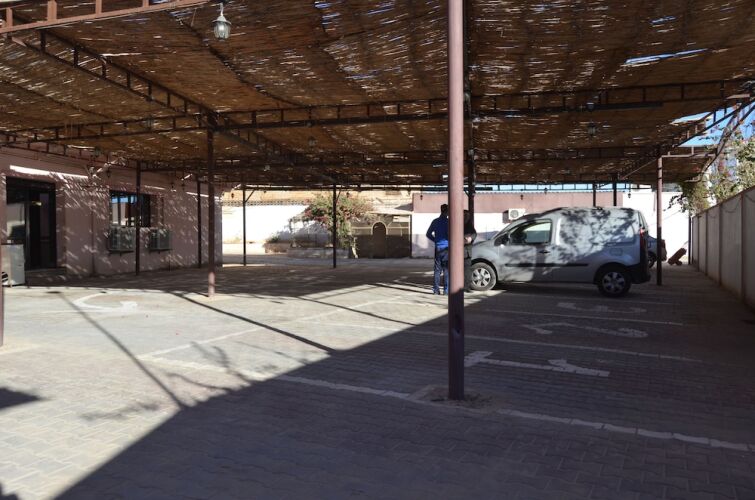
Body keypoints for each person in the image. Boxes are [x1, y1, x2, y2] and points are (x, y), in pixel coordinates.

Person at [426, 204, 449, 295]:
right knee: (446, 270)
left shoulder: (435, 221)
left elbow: (428, 234)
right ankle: (446, 290)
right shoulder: (449, 222)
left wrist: (435, 240)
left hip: (438, 248)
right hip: (447, 248)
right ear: (447, 211)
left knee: (437, 270)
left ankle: (436, 290)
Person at [463, 209, 478, 291]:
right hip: (459, 251)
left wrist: (471, 238)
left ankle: (466, 287)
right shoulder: (457, 224)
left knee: (467, 270)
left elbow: (474, 233)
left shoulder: (470, 225)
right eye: (465, 215)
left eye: (467, 215)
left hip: (467, 252)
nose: (466, 217)